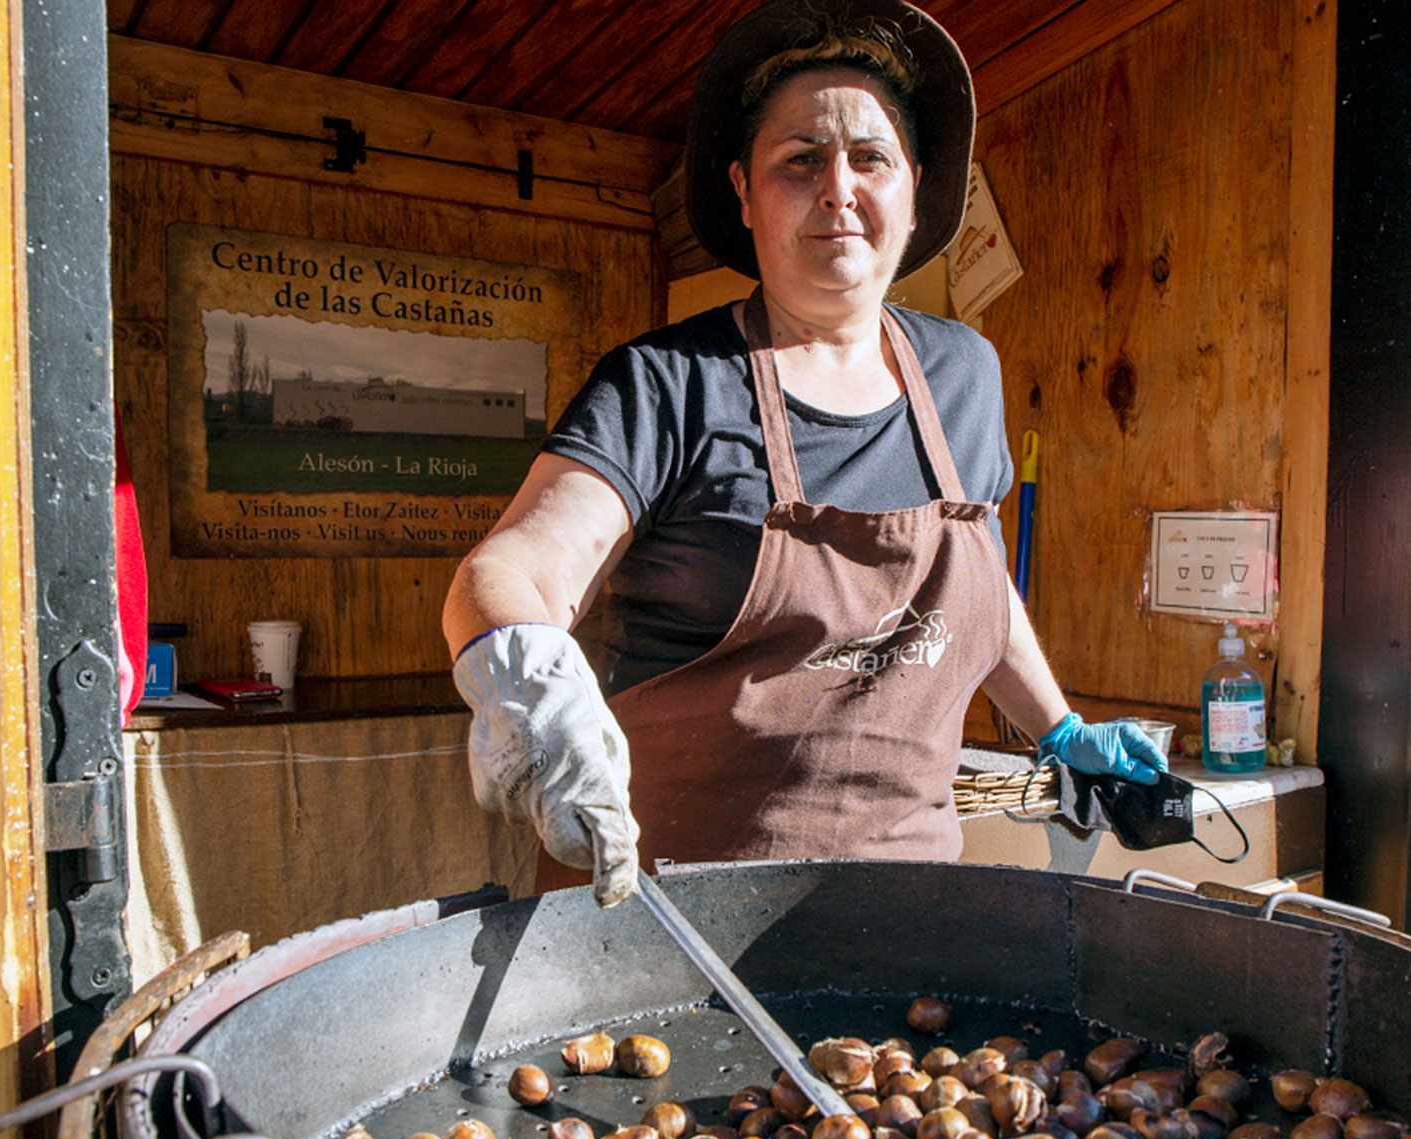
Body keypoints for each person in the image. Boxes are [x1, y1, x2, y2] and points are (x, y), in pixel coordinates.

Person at [443, 0, 1166, 908]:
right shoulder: (667, 384)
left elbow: (973, 579)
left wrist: (1058, 729)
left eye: (870, 158)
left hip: (904, 911)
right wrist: (532, 684)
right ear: (745, 192)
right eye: (800, 160)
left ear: (914, 189)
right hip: (660, 922)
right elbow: (510, 571)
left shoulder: (966, 373)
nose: (838, 188)